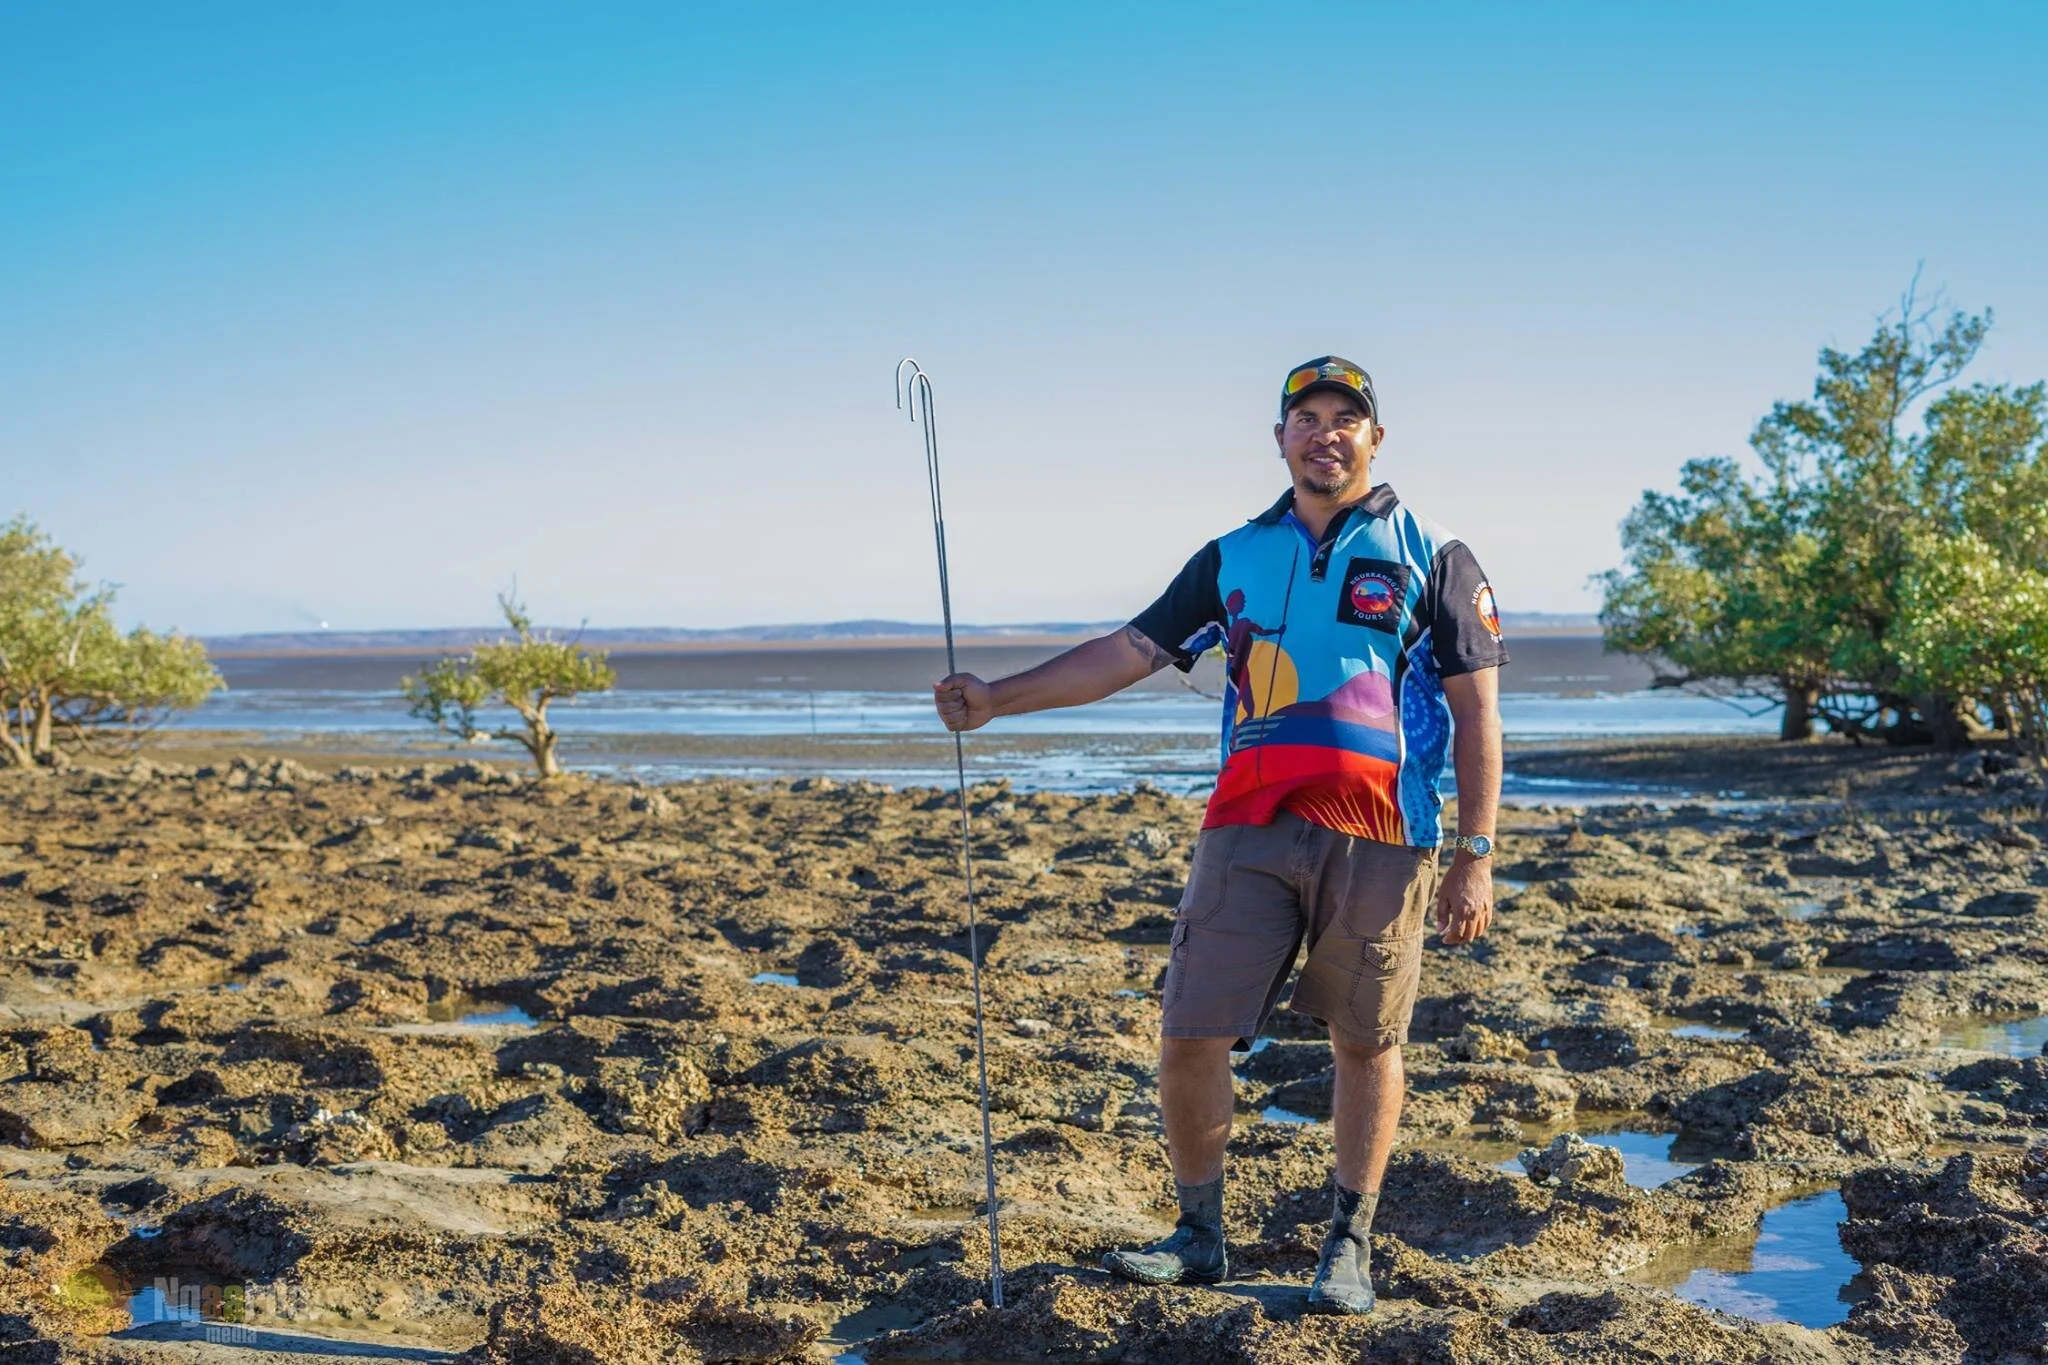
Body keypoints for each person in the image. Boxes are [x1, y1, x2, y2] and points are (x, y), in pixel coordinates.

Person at [932, 356, 1507, 1314]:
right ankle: (1200, 1235)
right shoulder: (1233, 553)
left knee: (1366, 1041)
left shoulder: (1433, 551)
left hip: (1384, 835)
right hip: (1246, 826)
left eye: (1345, 419)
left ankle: (1348, 1246)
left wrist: (1476, 856)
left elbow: (1479, 714)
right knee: (1190, 1029)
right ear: (1279, 437)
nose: (1326, 433)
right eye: (1306, 418)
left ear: (1376, 437)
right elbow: (1127, 651)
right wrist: (998, 699)